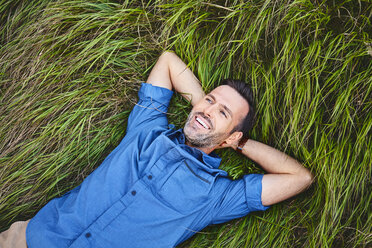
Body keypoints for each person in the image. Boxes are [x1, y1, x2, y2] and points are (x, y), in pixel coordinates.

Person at [0, 51, 313, 248]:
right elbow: (167, 61)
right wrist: (203, 108)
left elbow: (298, 178)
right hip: (28, 240)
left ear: (232, 135)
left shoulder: (214, 196)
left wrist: (239, 143)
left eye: (223, 113)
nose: (208, 110)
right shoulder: (147, 128)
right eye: (210, 100)